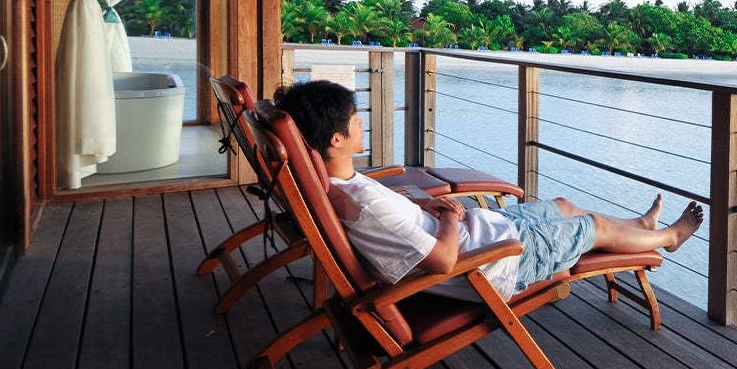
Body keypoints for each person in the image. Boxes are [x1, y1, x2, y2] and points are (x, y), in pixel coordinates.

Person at [274, 80, 704, 301]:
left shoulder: (340, 183)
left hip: (483, 229)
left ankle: (641, 226)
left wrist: (423, 201)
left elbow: (391, 211)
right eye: (354, 118)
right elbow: (443, 261)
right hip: (493, 263)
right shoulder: (360, 204)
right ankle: (667, 238)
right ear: (334, 139)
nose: (361, 123)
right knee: (590, 225)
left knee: (564, 205)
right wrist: (447, 215)